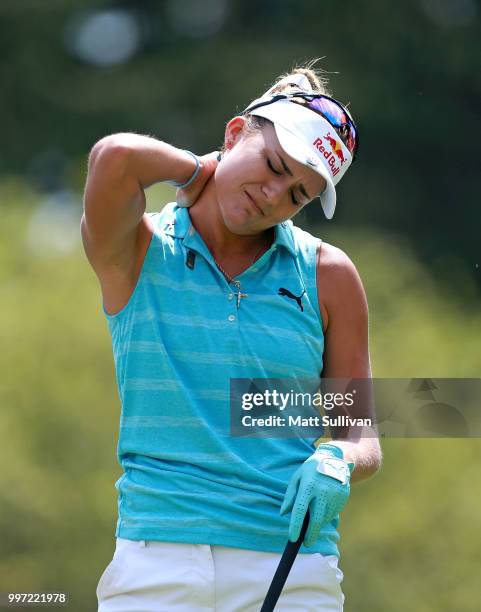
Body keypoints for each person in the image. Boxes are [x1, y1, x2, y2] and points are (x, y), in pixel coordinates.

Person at [81, 61, 382, 611]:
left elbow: (358, 433)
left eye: (298, 194)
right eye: (272, 165)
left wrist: (338, 459)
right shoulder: (139, 249)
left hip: (291, 568)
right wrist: (198, 174)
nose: (273, 195)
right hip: (156, 560)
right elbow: (115, 158)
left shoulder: (328, 275)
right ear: (234, 132)